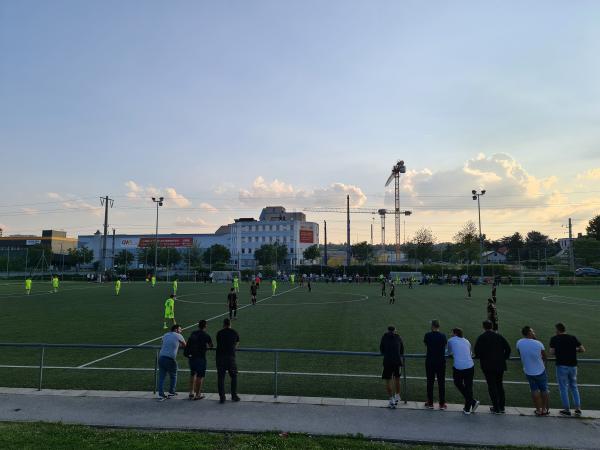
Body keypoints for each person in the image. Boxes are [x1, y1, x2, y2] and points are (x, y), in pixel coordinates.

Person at [474, 320, 511, 414]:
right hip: (500, 364)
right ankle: (501, 407)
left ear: (483, 327)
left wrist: (481, 357)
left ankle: (496, 407)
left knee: (492, 386)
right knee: (499, 385)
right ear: (491, 326)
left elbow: (477, 352)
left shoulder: (482, 337)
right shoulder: (499, 336)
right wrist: (503, 358)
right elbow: (508, 349)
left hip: (487, 366)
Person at [549, 323, 585, 416]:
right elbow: (582, 349)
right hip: (573, 366)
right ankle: (577, 409)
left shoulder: (554, 339)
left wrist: (560, 350)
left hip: (561, 366)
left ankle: (566, 409)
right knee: (574, 386)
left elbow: (551, 352)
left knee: (563, 387)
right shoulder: (573, 337)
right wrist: (574, 350)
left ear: (558, 330)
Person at [516, 326, 549, 416]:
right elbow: (545, 356)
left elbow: (520, 353)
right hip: (540, 370)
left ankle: (538, 410)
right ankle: (544, 409)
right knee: (544, 390)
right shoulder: (538, 343)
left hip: (528, 371)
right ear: (529, 333)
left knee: (534, 390)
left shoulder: (519, 342)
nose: (534, 332)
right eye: (532, 331)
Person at [448, 328, 479, 415]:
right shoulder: (467, 341)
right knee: (469, 386)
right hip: (470, 366)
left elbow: (449, 352)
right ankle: (467, 408)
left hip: (459, 367)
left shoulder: (450, 340)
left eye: (452, 332)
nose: (451, 334)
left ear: (454, 333)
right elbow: (470, 353)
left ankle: (471, 402)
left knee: (458, 383)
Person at [184, 320, 213, 400]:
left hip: (192, 357)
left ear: (198, 326)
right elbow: (211, 346)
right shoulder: (206, 335)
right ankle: (198, 394)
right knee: (200, 376)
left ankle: (191, 392)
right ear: (205, 326)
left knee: (193, 374)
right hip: (200, 358)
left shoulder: (193, 333)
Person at [157, 324, 186, 401]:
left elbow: (163, 343)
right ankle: (172, 391)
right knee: (173, 375)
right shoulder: (178, 335)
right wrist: (178, 346)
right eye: (180, 329)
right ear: (176, 330)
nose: (181, 330)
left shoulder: (165, 334)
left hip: (161, 357)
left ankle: (161, 395)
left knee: (161, 377)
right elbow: (185, 345)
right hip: (170, 359)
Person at [423, 320, 447, 410]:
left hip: (430, 361)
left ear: (433, 326)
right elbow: (444, 345)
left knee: (430, 382)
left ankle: (430, 403)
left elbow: (426, 344)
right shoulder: (443, 336)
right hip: (440, 362)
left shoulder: (427, 335)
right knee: (441, 383)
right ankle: (441, 404)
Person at [216, 318, 240, 403]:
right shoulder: (234, 332)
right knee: (234, 376)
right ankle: (234, 396)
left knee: (221, 378)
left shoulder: (219, 333)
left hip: (220, 357)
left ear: (223, 324)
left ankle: (222, 397)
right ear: (230, 324)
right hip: (230, 358)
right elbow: (237, 343)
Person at [379, 325, 404, 409]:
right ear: (395, 331)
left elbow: (381, 349)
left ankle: (391, 399)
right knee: (397, 379)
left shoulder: (384, 337)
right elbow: (402, 350)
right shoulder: (398, 337)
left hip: (387, 361)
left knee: (388, 381)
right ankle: (397, 396)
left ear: (387, 330)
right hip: (397, 361)